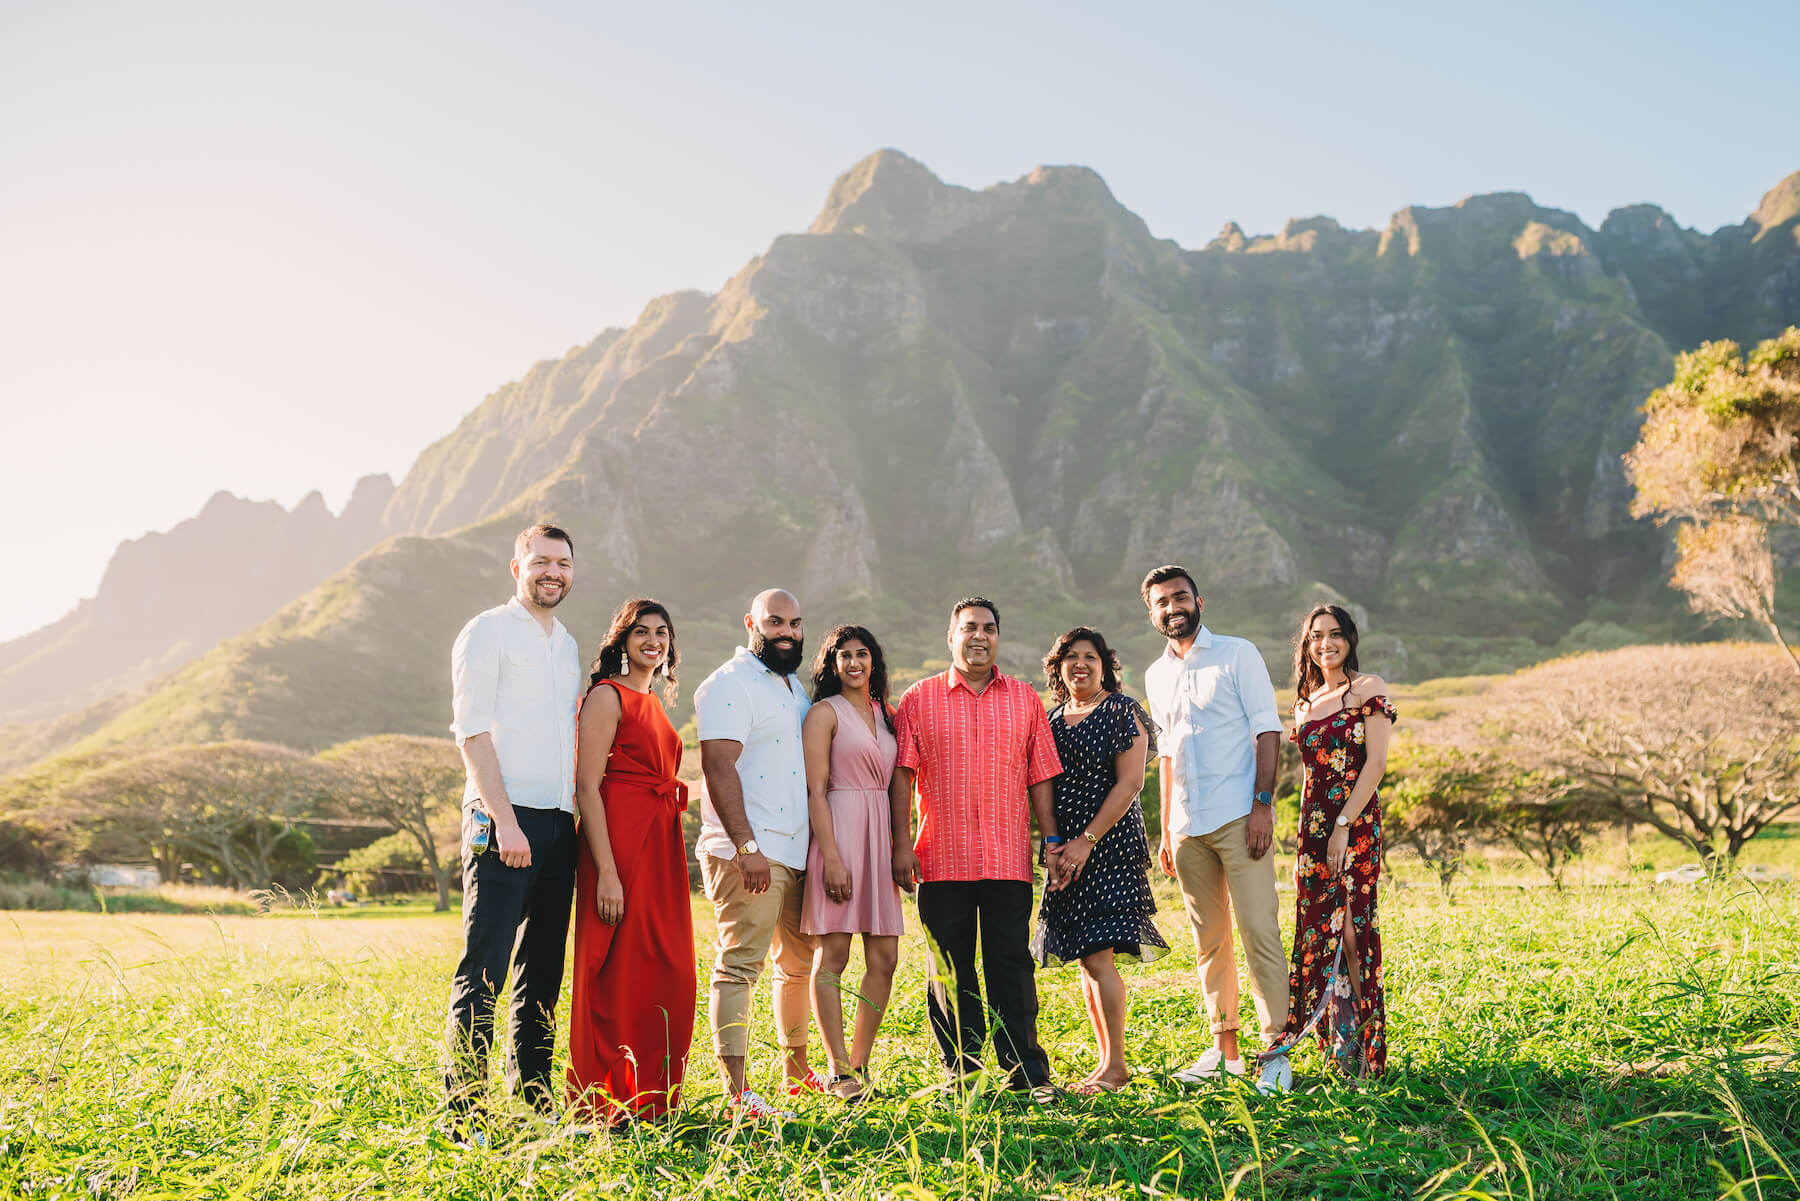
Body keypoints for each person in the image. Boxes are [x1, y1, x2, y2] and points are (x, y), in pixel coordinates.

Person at [891, 597, 1063, 1101]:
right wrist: (901, 844)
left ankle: (1027, 1072)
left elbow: (1041, 777)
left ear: (998, 637)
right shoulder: (919, 699)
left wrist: (1051, 840)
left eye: (989, 628)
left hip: (1008, 859)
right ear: (951, 637)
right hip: (941, 858)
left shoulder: (1025, 699)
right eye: (969, 628)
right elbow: (902, 776)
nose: (979, 636)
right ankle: (961, 1071)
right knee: (950, 967)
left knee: (1010, 963)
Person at [444, 524, 582, 1128]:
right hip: (503, 819)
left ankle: (532, 1096)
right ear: (516, 566)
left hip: (559, 822)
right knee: (486, 968)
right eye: (541, 561)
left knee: (542, 970)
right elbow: (471, 732)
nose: (552, 572)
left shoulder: (569, 644)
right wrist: (505, 821)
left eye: (563, 563)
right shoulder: (487, 631)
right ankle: (464, 1111)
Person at [1140, 564, 1288, 1086]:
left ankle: (1275, 1054)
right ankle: (1226, 1055)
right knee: (1210, 941)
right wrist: (1165, 829)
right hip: (1186, 828)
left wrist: (1262, 804)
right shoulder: (1156, 676)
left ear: (1199, 603)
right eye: (1161, 602)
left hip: (1239, 817)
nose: (1171, 607)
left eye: (1180, 597)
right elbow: (1168, 756)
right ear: (1152, 613)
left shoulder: (1237, 653)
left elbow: (1267, 731)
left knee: (1258, 931)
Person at [566, 598, 695, 1124]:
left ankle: (651, 1100)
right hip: (617, 848)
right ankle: (602, 1102)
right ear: (621, 638)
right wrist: (609, 875)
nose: (653, 641)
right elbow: (586, 786)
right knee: (613, 973)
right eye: (641, 631)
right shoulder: (606, 696)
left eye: (662, 632)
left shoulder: (655, 703)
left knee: (667, 970)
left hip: (660, 847)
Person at [1257, 605, 1394, 1092]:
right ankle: (1340, 1046)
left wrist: (1343, 824)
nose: (1326, 643)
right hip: (1311, 828)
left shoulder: (1368, 690)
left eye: (1335, 635)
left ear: (1350, 639)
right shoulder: (1305, 702)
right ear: (1307, 645)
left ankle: (1368, 1057)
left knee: (1353, 932)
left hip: (1352, 822)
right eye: (1317, 636)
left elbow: (1375, 764)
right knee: (1318, 934)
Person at [694, 588, 820, 1120]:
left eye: (794, 623)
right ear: (752, 623)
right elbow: (718, 767)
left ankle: (797, 1071)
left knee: (796, 966)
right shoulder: (729, 684)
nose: (786, 632)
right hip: (748, 850)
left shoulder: (794, 689)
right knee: (739, 966)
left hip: (796, 849)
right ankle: (738, 1094)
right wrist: (747, 846)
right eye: (775, 622)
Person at [1032, 627, 1167, 1094]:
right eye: (1070, 657)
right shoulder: (1051, 720)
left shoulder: (1121, 711)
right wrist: (1053, 846)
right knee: (1088, 960)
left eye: (1089, 657)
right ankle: (1105, 1063)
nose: (1080, 665)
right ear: (1058, 667)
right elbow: (1041, 784)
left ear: (1105, 664)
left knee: (1099, 956)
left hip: (1106, 844)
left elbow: (1129, 784)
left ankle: (1116, 1066)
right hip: (1063, 850)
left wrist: (1085, 842)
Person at [799, 624, 903, 1103]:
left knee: (885, 957)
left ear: (874, 661)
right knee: (834, 956)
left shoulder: (888, 715)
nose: (855, 663)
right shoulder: (824, 713)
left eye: (862, 654)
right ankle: (837, 1069)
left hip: (878, 835)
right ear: (832, 664)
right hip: (838, 831)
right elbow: (816, 790)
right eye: (845, 656)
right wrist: (833, 858)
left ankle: (860, 1063)